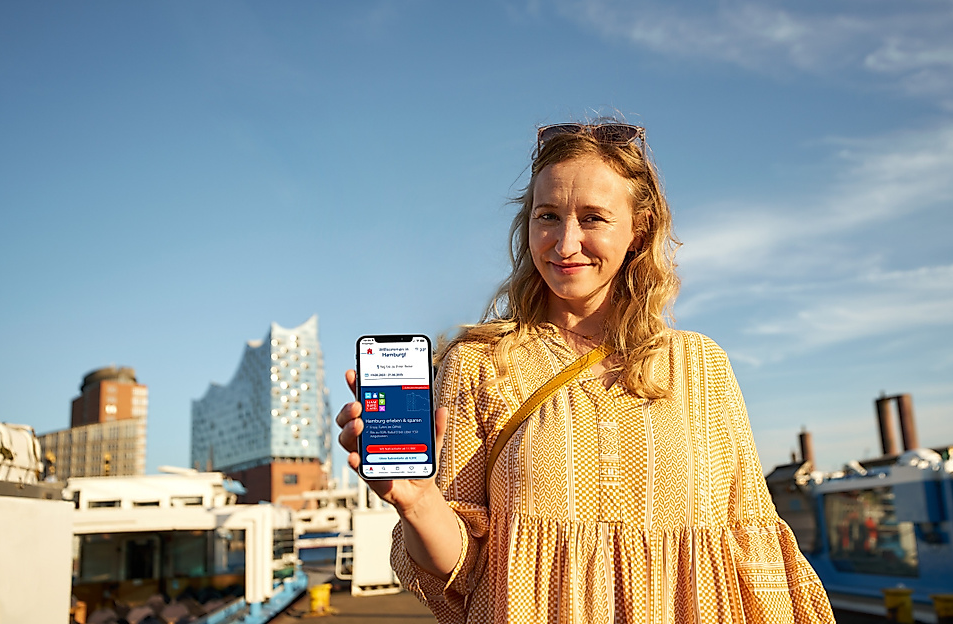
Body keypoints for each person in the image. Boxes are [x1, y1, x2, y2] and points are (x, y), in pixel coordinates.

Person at [336, 121, 835, 623]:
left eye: (593, 218)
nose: (565, 243)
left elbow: (754, 548)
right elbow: (460, 574)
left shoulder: (701, 366)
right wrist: (418, 502)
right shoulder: (480, 362)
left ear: (638, 228)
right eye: (547, 216)